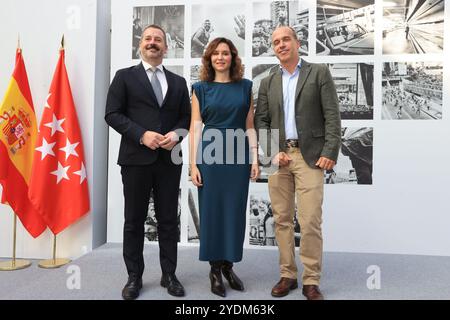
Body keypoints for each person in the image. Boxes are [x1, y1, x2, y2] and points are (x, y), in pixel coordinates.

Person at [254, 26, 341, 300]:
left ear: (297, 42)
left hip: (310, 156)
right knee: (281, 219)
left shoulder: (319, 72)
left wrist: (330, 150)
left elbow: (332, 116)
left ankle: (311, 279)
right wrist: (271, 152)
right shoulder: (268, 81)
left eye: (285, 40)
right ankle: (287, 275)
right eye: (276, 42)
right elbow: (261, 120)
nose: (281, 45)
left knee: (310, 220)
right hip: (277, 157)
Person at [105, 24, 191, 300]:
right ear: (140, 45)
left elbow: (185, 120)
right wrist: (142, 135)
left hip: (168, 161)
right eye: (148, 39)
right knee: (134, 220)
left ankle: (169, 274)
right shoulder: (124, 77)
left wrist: (175, 136)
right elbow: (112, 114)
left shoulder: (178, 82)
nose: (153, 43)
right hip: (135, 161)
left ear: (166, 48)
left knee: (168, 220)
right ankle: (134, 277)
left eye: (158, 40)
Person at [189, 37, 259, 297]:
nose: (220, 57)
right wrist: (192, 164)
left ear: (233, 57)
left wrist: (254, 158)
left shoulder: (245, 87)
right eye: (215, 53)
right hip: (210, 156)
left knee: (234, 210)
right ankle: (214, 269)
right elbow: (195, 127)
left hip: (238, 156)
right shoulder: (200, 88)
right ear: (209, 58)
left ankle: (229, 266)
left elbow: (250, 125)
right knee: (212, 211)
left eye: (225, 53)